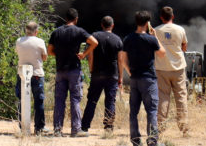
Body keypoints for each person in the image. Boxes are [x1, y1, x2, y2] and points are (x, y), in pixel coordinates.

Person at [119, 10, 166, 146]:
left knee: (134, 111)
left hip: (134, 79)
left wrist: (130, 72)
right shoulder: (151, 39)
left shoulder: (128, 39)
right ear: (147, 23)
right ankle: (152, 142)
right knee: (151, 110)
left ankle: (135, 141)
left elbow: (122, 60)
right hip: (149, 79)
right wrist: (156, 37)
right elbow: (162, 53)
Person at [47, 8, 98, 136]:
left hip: (60, 70)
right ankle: (76, 129)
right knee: (75, 99)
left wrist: (59, 55)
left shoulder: (56, 32)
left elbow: (49, 51)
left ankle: (57, 129)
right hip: (74, 70)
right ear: (76, 19)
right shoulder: (79, 31)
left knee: (59, 100)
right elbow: (94, 42)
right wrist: (84, 54)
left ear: (65, 18)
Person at [81, 15, 124, 133]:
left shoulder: (95, 36)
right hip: (112, 74)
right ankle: (108, 127)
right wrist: (121, 77)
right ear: (112, 25)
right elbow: (120, 60)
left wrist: (91, 69)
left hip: (97, 73)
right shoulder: (118, 40)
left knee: (92, 100)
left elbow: (90, 55)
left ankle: (84, 126)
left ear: (102, 25)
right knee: (110, 101)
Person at [155, 6, 189, 134]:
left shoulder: (156, 31)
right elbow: (184, 46)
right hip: (178, 68)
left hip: (161, 68)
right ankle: (183, 126)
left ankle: (161, 127)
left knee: (163, 97)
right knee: (181, 96)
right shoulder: (180, 29)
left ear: (161, 17)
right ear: (173, 17)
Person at [14, 21, 48, 134]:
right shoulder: (40, 42)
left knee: (22, 99)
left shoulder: (19, 41)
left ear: (26, 30)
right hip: (36, 73)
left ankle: (22, 126)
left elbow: (17, 53)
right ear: (36, 31)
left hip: (22, 74)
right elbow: (44, 57)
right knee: (39, 100)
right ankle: (39, 127)